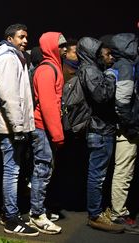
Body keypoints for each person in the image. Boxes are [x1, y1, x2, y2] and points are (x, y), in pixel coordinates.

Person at [0, 24, 38, 237]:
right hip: (9, 126)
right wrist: (18, 127)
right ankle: (11, 218)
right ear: (10, 38)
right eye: (21, 37)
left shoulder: (11, 56)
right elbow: (8, 95)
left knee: (11, 170)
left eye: (27, 37)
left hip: (8, 124)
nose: (25, 41)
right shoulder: (8, 58)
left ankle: (8, 212)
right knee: (12, 171)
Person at [76, 36, 123, 233]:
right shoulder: (90, 69)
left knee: (98, 174)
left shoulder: (91, 68)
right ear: (90, 52)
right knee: (97, 175)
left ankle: (97, 212)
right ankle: (95, 215)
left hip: (101, 128)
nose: (106, 56)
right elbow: (102, 96)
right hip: (99, 130)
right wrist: (112, 76)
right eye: (100, 52)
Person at [28, 32, 67, 234]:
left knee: (44, 170)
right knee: (42, 170)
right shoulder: (46, 70)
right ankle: (36, 215)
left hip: (45, 127)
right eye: (61, 46)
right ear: (51, 47)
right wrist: (58, 134)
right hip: (42, 126)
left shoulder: (52, 67)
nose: (65, 49)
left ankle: (39, 209)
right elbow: (48, 105)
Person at [106, 33, 139, 234]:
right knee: (124, 171)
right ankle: (118, 213)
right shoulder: (126, 66)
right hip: (128, 129)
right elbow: (123, 102)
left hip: (126, 126)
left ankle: (118, 210)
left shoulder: (121, 64)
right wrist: (131, 125)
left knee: (123, 169)